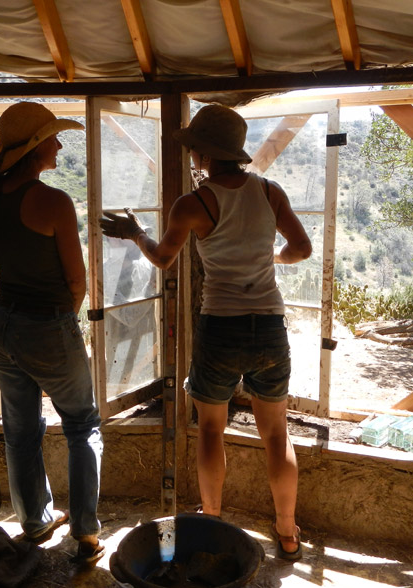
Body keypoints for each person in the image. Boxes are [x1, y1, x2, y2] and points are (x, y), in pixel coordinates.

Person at [100, 104, 312, 561]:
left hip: (219, 328)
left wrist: (137, 232)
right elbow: (302, 248)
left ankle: (212, 515)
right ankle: (288, 530)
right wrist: (270, 259)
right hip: (268, 328)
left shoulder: (192, 205)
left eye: (194, 146)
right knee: (276, 434)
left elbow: (162, 258)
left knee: (212, 430)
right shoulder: (271, 192)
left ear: (202, 153)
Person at [0, 102, 104, 563]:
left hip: (2, 323)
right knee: (83, 424)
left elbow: (2, 262)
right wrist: (65, 328)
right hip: (46, 324)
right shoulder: (53, 201)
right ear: (34, 149)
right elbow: (76, 281)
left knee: (20, 429)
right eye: (52, 137)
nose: (60, 144)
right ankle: (87, 536)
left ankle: (34, 522)